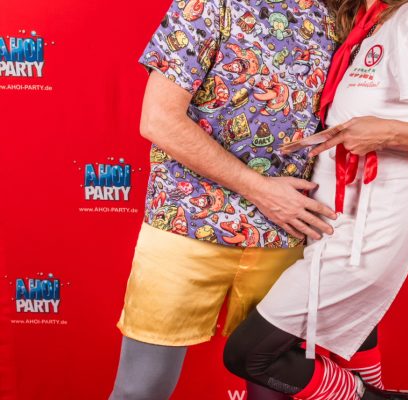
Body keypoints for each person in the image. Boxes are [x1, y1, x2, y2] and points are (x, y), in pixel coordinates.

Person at [223, 0, 408, 399]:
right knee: (356, 336)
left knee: (249, 355)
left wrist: (386, 132)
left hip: (371, 229)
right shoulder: (364, 25)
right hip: (333, 224)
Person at [108, 0, 341, 398]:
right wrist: (259, 189)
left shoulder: (336, 15)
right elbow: (159, 119)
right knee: (140, 390)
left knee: (275, 387)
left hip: (284, 235)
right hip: (186, 223)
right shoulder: (208, 4)